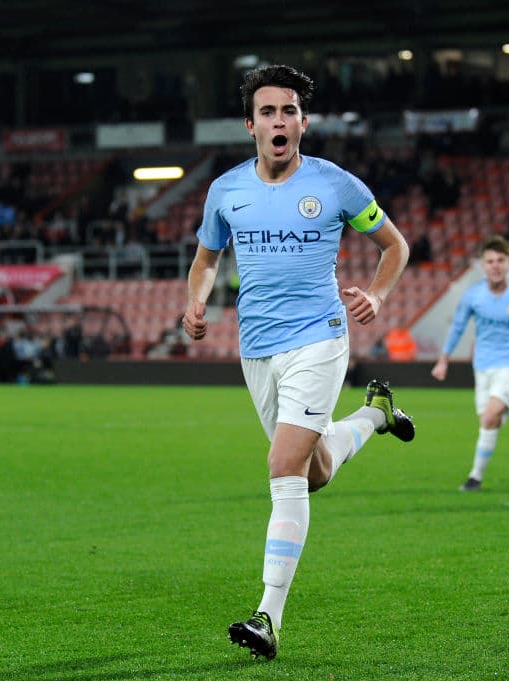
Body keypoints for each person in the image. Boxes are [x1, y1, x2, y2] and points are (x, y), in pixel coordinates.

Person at [183, 64, 414, 661]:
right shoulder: (227, 190)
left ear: (302, 123)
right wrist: (195, 300)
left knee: (283, 465)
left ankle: (268, 616)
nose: (278, 121)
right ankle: (375, 418)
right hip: (256, 348)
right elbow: (207, 257)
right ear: (250, 125)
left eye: (288, 111)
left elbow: (395, 245)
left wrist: (378, 294)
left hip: (320, 338)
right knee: (312, 472)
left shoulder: (335, 184)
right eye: (268, 112)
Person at [430, 236, 509, 492]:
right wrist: (443, 360)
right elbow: (458, 327)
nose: (495, 266)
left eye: (500, 260)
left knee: (490, 416)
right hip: (482, 366)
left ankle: (475, 477)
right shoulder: (473, 296)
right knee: (490, 421)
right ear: (483, 265)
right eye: (490, 261)